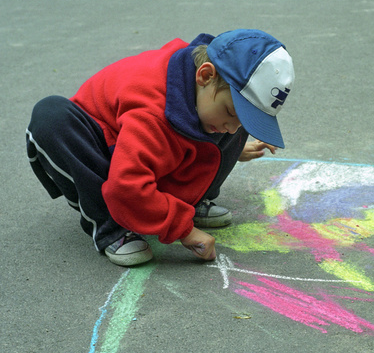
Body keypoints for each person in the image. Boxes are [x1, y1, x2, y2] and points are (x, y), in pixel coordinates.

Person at [25, 29, 295, 266]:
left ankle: (185, 202)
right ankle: (111, 227)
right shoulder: (152, 112)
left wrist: (236, 146)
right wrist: (183, 230)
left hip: (152, 151)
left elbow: (216, 118)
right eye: (230, 112)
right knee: (50, 116)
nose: (233, 129)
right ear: (205, 75)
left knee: (225, 119)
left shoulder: (209, 89)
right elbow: (125, 186)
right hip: (109, 160)